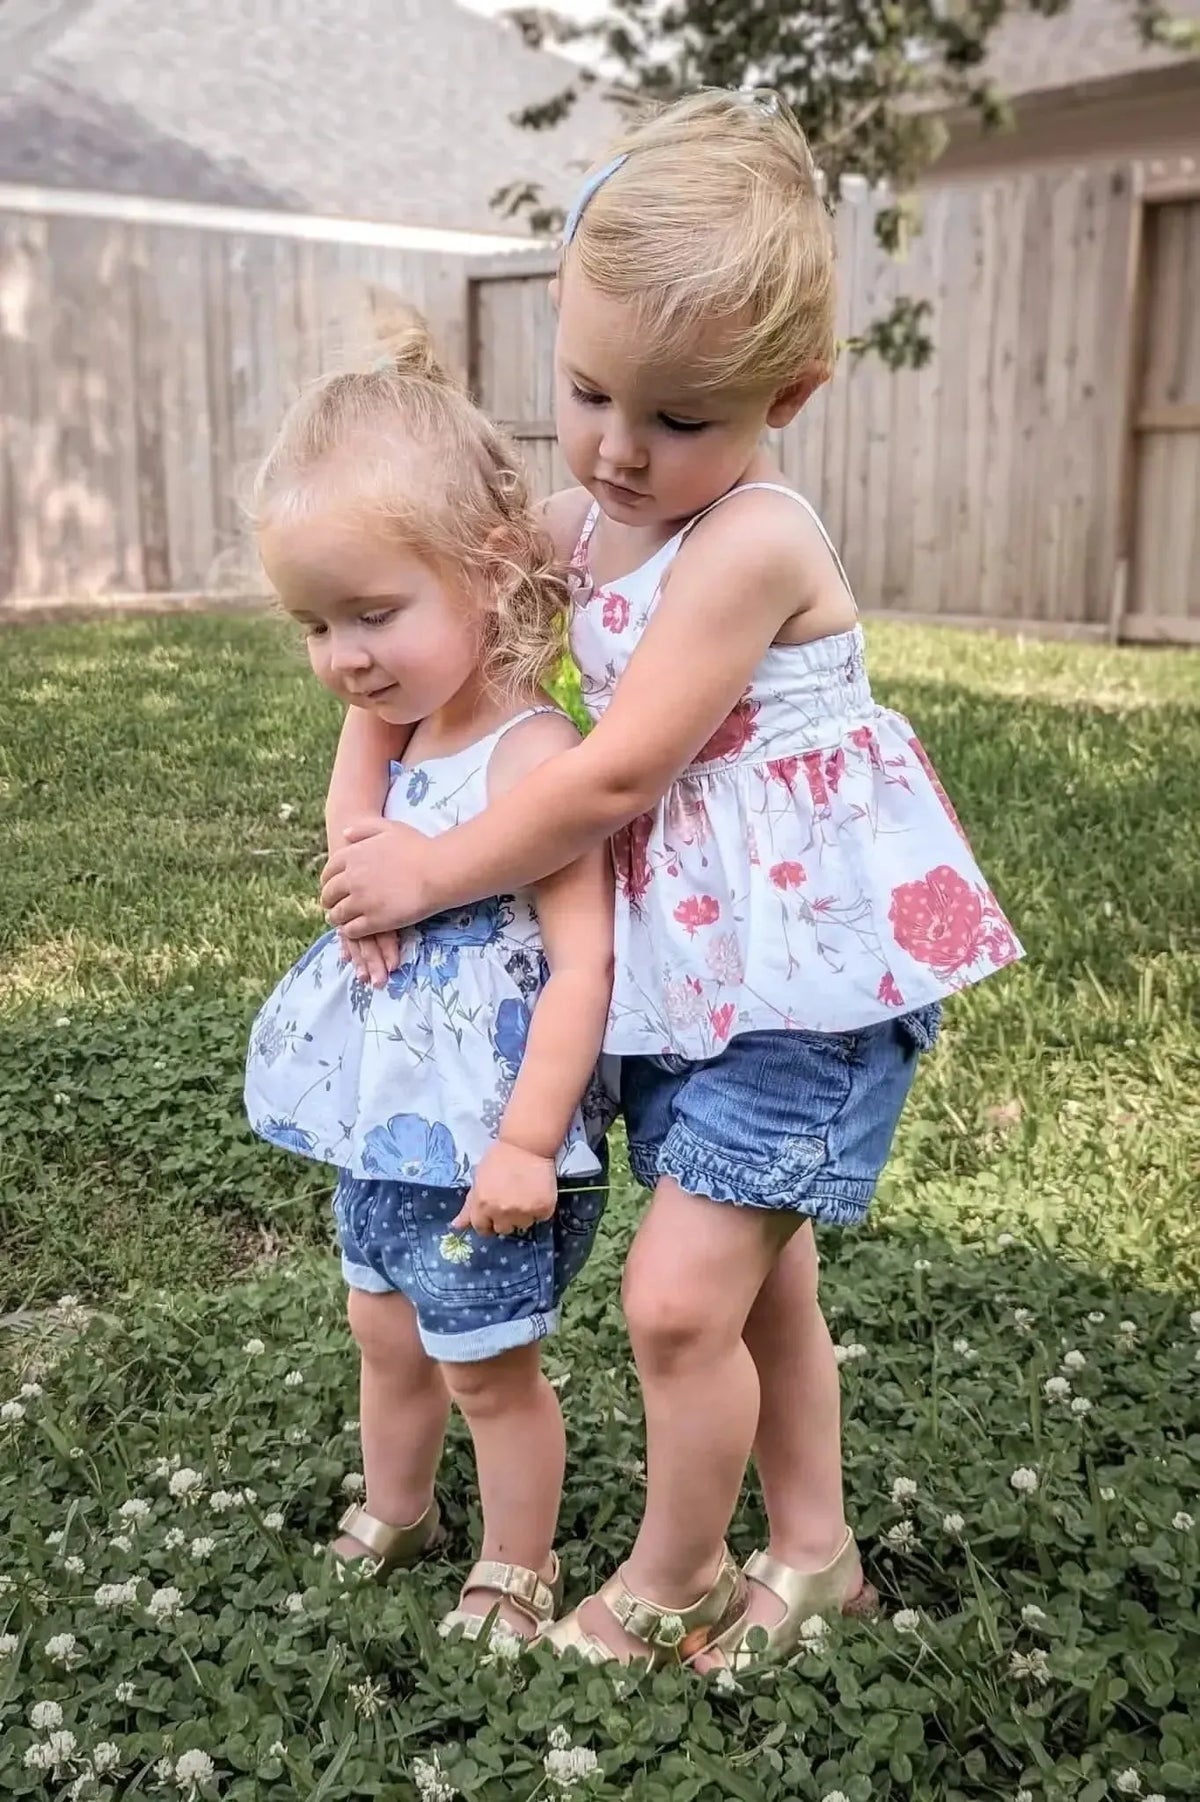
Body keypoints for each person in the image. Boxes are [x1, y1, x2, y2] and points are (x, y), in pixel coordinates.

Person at [317, 91, 1022, 1668]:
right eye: (585, 393)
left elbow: (616, 773)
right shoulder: (592, 518)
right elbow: (445, 593)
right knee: (762, 1292)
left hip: (807, 988)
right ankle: (818, 1549)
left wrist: (430, 870)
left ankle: (674, 1575)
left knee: (677, 1302)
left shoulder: (755, 541)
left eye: (681, 417)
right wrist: (370, 672)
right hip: (696, 974)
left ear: (793, 392)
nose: (622, 449)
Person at [243, 320, 615, 1645]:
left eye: (373, 614)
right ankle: (398, 1504)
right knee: (382, 1332)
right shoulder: (395, 734)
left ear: (492, 569)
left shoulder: (535, 757)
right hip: (387, 1134)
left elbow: (587, 963)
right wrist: (365, 801)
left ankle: (516, 1559)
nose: (345, 655)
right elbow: (356, 801)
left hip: (487, 1150)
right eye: (316, 624)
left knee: (488, 1368)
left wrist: (528, 1144)